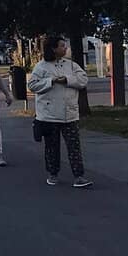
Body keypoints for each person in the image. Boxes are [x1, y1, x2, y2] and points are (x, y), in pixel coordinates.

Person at [28, 35, 93, 188]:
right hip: (49, 115)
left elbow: (83, 80)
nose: (65, 48)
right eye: (62, 46)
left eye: (65, 46)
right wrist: (50, 81)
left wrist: (68, 80)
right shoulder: (41, 67)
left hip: (69, 114)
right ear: (53, 48)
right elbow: (32, 85)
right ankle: (53, 173)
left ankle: (79, 176)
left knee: (74, 146)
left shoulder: (71, 65)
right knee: (52, 146)